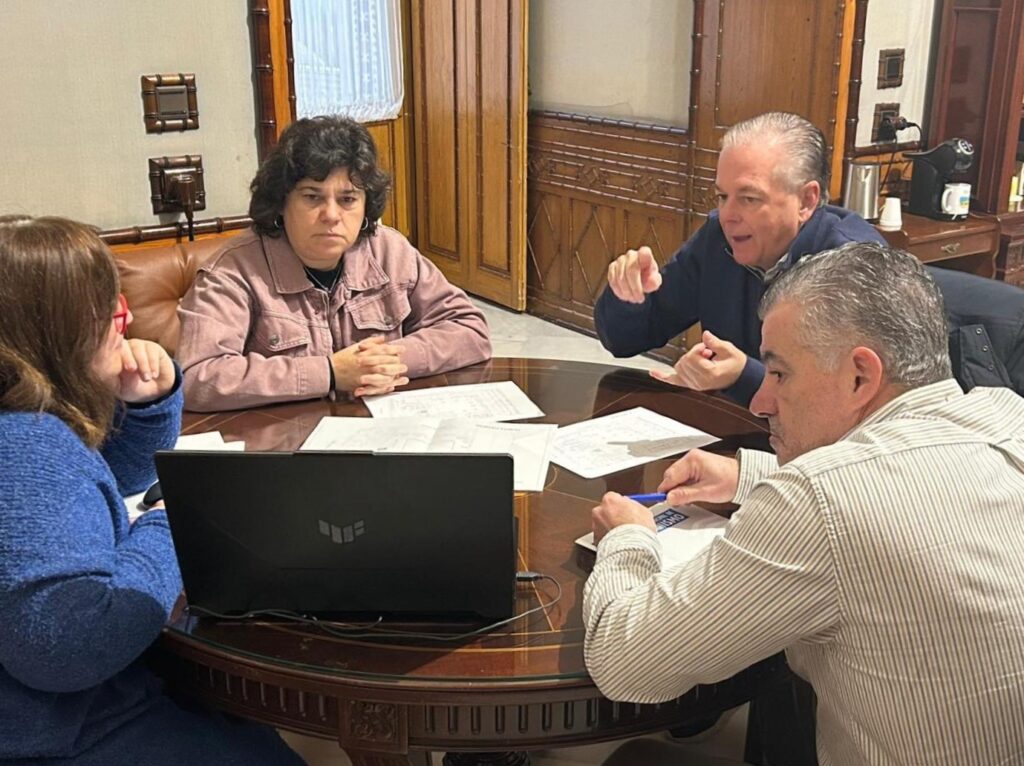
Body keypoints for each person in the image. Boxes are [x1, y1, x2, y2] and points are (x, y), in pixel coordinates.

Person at [583, 242, 1024, 765]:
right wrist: (748, 473)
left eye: (779, 373)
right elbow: (919, 485)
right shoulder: (1006, 413)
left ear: (861, 375)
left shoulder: (820, 500)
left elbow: (624, 664)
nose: (759, 402)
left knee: (635, 759)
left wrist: (628, 538)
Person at [0, 216, 302, 764]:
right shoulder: (26, 447)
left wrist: (143, 406)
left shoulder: (27, 425)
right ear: (56, 333)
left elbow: (96, 488)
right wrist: (174, 522)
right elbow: (67, 646)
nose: (129, 320)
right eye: (111, 314)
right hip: (63, 734)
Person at [177, 115, 491, 412]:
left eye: (347, 199)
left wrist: (388, 360)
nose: (331, 215)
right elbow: (197, 376)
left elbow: (470, 329)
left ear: (367, 205)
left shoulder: (389, 250)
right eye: (312, 197)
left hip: (381, 434)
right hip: (284, 446)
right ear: (281, 203)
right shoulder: (233, 271)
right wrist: (328, 372)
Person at [594, 111, 885, 405]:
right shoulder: (717, 238)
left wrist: (745, 376)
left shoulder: (856, 265)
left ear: (806, 200)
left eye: (749, 199)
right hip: (728, 428)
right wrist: (628, 295)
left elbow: (855, 403)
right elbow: (624, 340)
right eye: (722, 197)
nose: (727, 216)